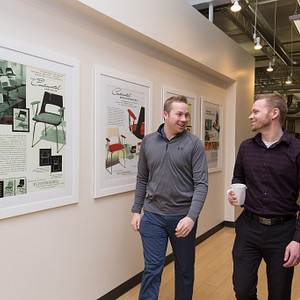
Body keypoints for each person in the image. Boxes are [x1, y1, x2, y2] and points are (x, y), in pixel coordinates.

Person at [131, 95, 208, 300]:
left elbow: (201, 184)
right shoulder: (148, 141)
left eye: (186, 115)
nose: (184, 119)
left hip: (182, 218)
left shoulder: (195, 144)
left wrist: (191, 217)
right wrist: (136, 210)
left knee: (184, 269)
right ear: (165, 115)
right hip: (153, 216)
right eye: (179, 114)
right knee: (152, 268)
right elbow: (142, 178)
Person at [228, 93, 300, 300]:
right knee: (242, 290)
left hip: (283, 233)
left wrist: (297, 240)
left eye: (255, 111)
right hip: (248, 228)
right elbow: (238, 177)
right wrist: (235, 194)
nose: (250, 116)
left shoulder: (296, 150)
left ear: (274, 113)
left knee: (279, 295)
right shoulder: (246, 147)